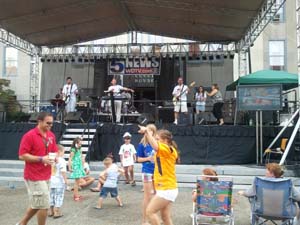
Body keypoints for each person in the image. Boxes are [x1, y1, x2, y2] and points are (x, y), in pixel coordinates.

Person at [17, 112, 58, 225]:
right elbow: (22, 155)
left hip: (46, 174)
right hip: (34, 176)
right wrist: (41, 159)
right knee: (44, 204)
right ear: (39, 122)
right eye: (48, 123)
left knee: (38, 203)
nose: (50, 125)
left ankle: (22, 223)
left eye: (52, 123)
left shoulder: (51, 135)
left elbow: (54, 151)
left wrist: (56, 158)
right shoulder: (29, 136)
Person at [139, 126, 179, 225]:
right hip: (166, 188)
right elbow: (154, 145)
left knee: (150, 212)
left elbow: (155, 146)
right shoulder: (165, 150)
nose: (156, 141)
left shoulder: (168, 149)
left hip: (167, 189)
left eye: (158, 139)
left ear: (165, 140)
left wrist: (148, 132)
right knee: (165, 217)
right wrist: (147, 133)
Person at [136, 124, 157, 225]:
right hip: (147, 171)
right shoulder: (142, 144)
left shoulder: (157, 143)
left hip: (157, 172)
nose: (150, 132)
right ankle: (145, 220)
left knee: (157, 196)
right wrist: (148, 159)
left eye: (152, 130)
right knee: (147, 196)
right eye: (148, 130)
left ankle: (154, 218)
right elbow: (138, 159)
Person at [49, 144, 68, 219]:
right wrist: (66, 181)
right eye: (63, 152)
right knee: (59, 196)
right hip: (59, 181)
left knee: (51, 196)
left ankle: (51, 211)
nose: (64, 153)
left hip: (50, 181)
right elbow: (63, 171)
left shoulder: (50, 159)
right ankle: (56, 212)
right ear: (59, 151)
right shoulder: (62, 160)